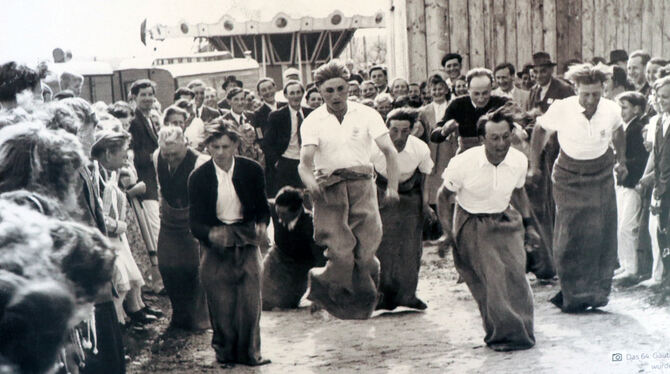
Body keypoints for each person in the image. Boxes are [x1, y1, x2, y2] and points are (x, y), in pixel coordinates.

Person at [298, 60, 399, 320]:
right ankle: (339, 295)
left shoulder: (367, 114)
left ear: (348, 87)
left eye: (341, 89)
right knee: (341, 252)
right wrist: (311, 184)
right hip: (329, 191)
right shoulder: (312, 121)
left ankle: (355, 299)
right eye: (329, 90)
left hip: (363, 186)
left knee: (366, 253)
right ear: (319, 91)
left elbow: (389, 151)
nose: (336, 96)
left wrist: (393, 188)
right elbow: (304, 164)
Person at [437, 104, 537, 351]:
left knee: (516, 277)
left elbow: (519, 191)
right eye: (494, 138)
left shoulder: (518, 160)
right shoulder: (463, 163)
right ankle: (502, 335)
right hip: (472, 222)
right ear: (482, 139)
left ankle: (522, 332)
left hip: (504, 219)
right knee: (492, 279)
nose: (501, 144)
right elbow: (442, 196)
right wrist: (447, 234)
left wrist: (529, 225)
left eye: (505, 137)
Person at [528, 64, 627, 312]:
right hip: (568, 176)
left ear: (604, 89)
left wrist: (621, 160)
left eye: (596, 94)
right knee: (570, 234)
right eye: (585, 94)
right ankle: (573, 295)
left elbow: (619, 131)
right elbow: (539, 129)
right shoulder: (562, 109)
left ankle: (596, 293)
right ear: (575, 90)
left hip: (601, 173)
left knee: (600, 232)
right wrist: (534, 166)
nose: (591, 100)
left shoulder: (611, 109)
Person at [188, 121, 271, 367]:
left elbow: (263, 210)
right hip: (214, 238)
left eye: (226, 146)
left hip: (246, 236)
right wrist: (211, 235)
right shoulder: (199, 177)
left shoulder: (252, 170)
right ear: (208, 147)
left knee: (250, 300)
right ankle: (224, 353)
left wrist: (261, 226)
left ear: (236, 145)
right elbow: (194, 222)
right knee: (220, 299)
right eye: (215, 147)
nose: (221, 152)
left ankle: (250, 354)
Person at [90, 127, 155, 328]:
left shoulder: (110, 174)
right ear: (108, 154)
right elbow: (101, 214)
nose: (126, 158)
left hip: (118, 235)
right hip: (109, 237)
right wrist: (120, 225)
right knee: (121, 282)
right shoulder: (97, 177)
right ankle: (120, 322)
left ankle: (132, 313)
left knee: (133, 278)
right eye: (122, 153)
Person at [371, 108, 434, 310]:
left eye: (405, 130)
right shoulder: (373, 147)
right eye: (394, 130)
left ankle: (407, 296)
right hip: (381, 192)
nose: (399, 136)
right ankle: (381, 297)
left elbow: (425, 177)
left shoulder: (420, 148)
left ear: (413, 129)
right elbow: (365, 177)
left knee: (410, 248)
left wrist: (425, 206)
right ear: (386, 128)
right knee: (383, 245)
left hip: (410, 195)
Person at [153, 126, 210, 330]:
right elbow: (161, 186)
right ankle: (179, 314)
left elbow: (207, 198)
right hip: (169, 219)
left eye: (175, 155)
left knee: (194, 268)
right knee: (167, 266)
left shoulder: (200, 162)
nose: (170, 159)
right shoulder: (156, 156)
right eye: (166, 155)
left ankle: (198, 317)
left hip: (191, 219)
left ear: (185, 143)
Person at [525, 52, 575, 280]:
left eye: (544, 70)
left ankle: (562, 258)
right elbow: (530, 122)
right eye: (536, 71)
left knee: (556, 204)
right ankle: (546, 259)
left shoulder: (563, 89)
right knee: (541, 205)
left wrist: (542, 116)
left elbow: (570, 118)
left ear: (551, 70)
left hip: (557, 152)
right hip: (539, 153)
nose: (540, 74)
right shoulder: (534, 91)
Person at [261, 186, 326, 310]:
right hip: (277, 255)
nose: (279, 218)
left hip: (299, 268)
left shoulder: (311, 226)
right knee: (260, 299)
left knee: (283, 304)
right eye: (277, 212)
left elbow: (320, 261)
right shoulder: (276, 208)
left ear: (297, 210)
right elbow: (260, 205)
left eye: (283, 214)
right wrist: (261, 224)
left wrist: (318, 294)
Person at [128, 79, 163, 292]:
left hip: (152, 180)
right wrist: (157, 155)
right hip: (143, 181)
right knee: (153, 230)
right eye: (143, 95)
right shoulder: (134, 121)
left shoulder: (149, 118)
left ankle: (156, 280)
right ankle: (156, 281)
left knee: (153, 228)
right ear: (134, 97)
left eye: (150, 94)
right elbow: (136, 155)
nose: (148, 98)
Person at [637, 76, 670, 289]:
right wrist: (653, 179)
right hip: (662, 186)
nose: (662, 101)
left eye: (666, 97)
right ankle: (665, 278)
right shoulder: (659, 121)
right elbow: (659, 156)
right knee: (662, 231)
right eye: (659, 96)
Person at [613, 92, 649, 281]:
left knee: (628, 226)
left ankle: (633, 267)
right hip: (623, 183)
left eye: (624, 107)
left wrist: (623, 163)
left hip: (632, 183)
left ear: (636, 109)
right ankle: (625, 263)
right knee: (620, 225)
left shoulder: (637, 128)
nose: (621, 111)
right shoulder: (625, 128)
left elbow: (642, 159)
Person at [430, 68, 507, 153]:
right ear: (468, 89)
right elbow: (434, 136)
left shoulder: (502, 104)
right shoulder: (457, 104)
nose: (481, 98)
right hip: (467, 154)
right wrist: (444, 131)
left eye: (485, 93)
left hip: (497, 153)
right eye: (476, 94)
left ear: (491, 88)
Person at [265, 81, 313, 196]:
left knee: (309, 195)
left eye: (298, 92)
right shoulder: (277, 116)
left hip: (307, 162)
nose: (295, 96)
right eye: (292, 93)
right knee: (288, 198)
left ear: (302, 94)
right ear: (286, 96)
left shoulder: (310, 113)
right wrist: (276, 161)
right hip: (286, 162)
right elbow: (267, 142)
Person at [420, 74, 457, 213]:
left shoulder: (453, 107)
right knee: (434, 187)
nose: (437, 92)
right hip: (432, 151)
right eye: (434, 89)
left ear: (447, 90)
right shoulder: (424, 111)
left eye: (440, 89)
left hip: (450, 149)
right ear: (430, 92)